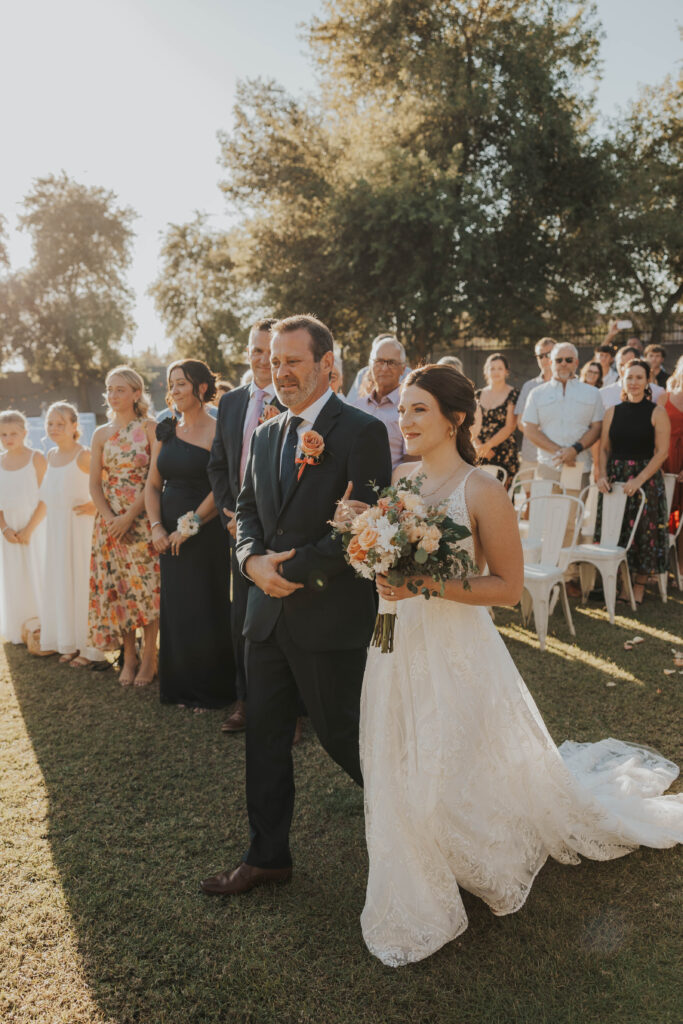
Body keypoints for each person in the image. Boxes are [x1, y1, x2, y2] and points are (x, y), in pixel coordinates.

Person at [351, 363, 682, 968]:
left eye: (418, 408)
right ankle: (423, 853)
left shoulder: (483, 489)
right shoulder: (399, 480)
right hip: (395, 638)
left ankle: (474, 852)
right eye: (402, 409)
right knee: (400, 749)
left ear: (454, 418)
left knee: (454, 752)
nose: (405, 420)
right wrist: (375, 560)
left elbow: (506, 589)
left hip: (455, 644)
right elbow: (385, 552)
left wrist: (425, 582)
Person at [199, 314, 392, 897]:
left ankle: (416, 829)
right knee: (264, 736)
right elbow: (249, 511)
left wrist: (293, 572)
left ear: (327, 363)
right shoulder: (264, 433)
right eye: (273, 361)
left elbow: (366, 527)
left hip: (328, 616)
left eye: (292, 361)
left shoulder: (361, 432)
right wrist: (253, 563)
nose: (279, 371)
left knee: (345, 737)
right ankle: (267, 856)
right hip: (265, 613)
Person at [208, 318, 284, 732]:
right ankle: (243, 700)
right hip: (239, 530)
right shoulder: (233, 403)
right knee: (242, 618)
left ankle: (287, 709)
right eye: (255, 351)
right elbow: (218, 464)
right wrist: (228, 515)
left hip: (284, 530)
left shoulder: (296, 402)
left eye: (269, 353)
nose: (261, 360)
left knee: (282, 618)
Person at [145, 360, 234, 709]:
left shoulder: (217, 429)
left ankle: (212, 690)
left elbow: (220, 485)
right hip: (166, 536)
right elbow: (152, 485)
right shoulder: (165, 429)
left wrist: (190, 525)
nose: (175, 390)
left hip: (205, 533)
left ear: (200, 387)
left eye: (182, 383)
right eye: (172, 384)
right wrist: (156, 527)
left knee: (205, 607)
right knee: (178, 608)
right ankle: (179, 687)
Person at [88, 367, 160, 686]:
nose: (113, 395)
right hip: (108, 525)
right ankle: (128, 656)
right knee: (120, 590)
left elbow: (154, 481)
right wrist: (111, 520)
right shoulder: (100, 434)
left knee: (147, 589)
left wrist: (129, 517)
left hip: (142, 519)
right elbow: (93, 486)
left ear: (136, 393)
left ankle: (149, 657)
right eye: (109, 389)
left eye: (120, 389)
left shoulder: (151, 428)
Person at [596, 359, 670, 604]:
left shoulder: (657, 412)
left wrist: (638, 480)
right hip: (615, 481)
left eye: (639, 377)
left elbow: (662, 452)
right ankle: (620, 584)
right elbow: (604, 449)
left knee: (643, 534)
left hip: (645, 481)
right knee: (616, 532)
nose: (634, 382)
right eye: (630, 377)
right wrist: (603, 475)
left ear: (648, 380)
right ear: (623, 380)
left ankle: (637, 587)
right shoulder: (612, 412)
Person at [39, 402, 106, 666]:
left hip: (80, 529)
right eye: (50, 424)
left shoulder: (85, 455)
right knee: (62, 582)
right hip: (56, 529)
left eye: (60, 424)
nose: (54, 428)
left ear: (74, 426)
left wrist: (94, 505)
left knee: (81, 584)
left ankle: (89, 647)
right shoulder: (51, 455)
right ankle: (69, 641)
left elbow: (107, 484)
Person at [521, 343, 603, 495]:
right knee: (547, 517)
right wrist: (562, 453)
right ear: (551, 363)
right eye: (559, 360)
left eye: (568, 360)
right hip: (548, 466)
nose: (563, 363)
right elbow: (529, 429)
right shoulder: (537, 394)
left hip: (578, 466)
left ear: (576, 363)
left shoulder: (592, 393)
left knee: (572, 517)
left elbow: (597, 427)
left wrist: (575, 450)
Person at [0, 410, 47, 643]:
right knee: (15, 575)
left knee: (37, 571)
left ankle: (44, 623)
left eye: (13, 434)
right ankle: (20, 626)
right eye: (3, 434)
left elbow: (47, 497)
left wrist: (29, 529)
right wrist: (5, 529)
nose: (8, 439)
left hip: (35, 526)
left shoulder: (36, 458)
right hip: (9, 529)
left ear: (24, 433)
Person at [348, 335, 409, 468]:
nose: (384, 368)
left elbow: (412, 463)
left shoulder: (408, 408)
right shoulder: (356, 408)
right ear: (370, 365)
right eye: (379, 361)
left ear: (403, 369)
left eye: (391, 362)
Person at [472, 353, 519, 481]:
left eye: (500, 368)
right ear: (486, 371)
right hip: (480, 452)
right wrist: (479, 447)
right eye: (492, 368)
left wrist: (488, 446)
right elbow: (471, 424)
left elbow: (510, 426)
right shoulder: (478, 394)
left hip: (504, 452)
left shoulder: (513, 394)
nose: (496, 372)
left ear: (506, 371)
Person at [514, 337, 555, 476]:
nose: (544, 359)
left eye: (548, 354)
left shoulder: (569, 383)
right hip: (532, 454)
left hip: (558, 455)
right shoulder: (529, 386)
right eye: (540, 356)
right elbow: (520, 422)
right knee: (530, 496)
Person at [658, 355, 683, 558]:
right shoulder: (664, 397)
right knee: (661, 511)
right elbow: (652, 432)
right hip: (664, 458)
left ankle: (681, 565)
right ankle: (660, 561)